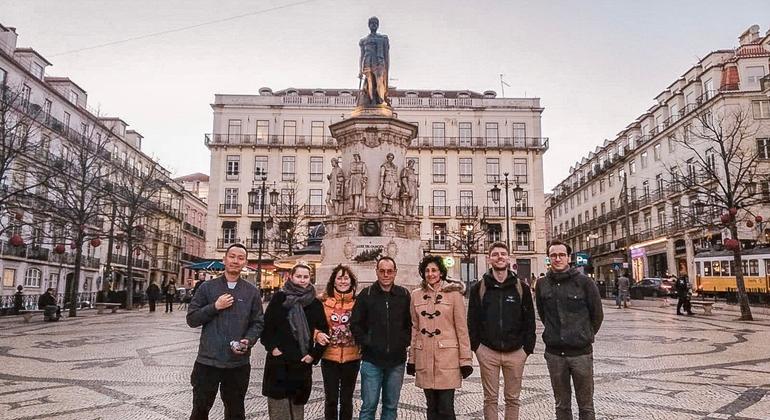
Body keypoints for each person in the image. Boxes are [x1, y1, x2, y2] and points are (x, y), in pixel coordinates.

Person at [186, 243, 264, 420]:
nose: (235, 261)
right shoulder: (207, 288)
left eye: (240, 258)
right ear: (224, 259)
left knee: (235, 412)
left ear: (245, 262)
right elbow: (192, 319)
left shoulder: (251, 292)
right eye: (232, 256)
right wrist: (215, 306)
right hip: (207, 362)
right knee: (200, 410)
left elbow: (258, 322)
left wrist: (248, 341)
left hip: (237, 364)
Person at [536, 239, 604, 420]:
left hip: (581, 353)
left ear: (568, 257)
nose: (557, 259)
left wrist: (584, 334)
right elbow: (543, 314)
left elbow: (597, 315)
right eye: (553, 255)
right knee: (561, 405)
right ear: (548, 258)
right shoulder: (542, 284)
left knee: (586, 406)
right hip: (555, 354)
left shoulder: (584, 283)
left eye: (561, 255)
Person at [467, 242, 536, 420]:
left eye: (503, 254)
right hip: (487, 351)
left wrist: (527, 349)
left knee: (513, 399)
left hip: (516, 352)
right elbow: (472, 320)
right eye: (495, 254)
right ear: (489, 259)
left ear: (508, 258)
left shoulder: (522, 288)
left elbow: (530, 320)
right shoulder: (479, 288)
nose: (499, 257)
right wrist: (477, 348)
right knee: (490, 399)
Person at [407, 255, 473, 420]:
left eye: (434, 270)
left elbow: (462, 329)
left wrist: (465, 360)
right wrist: (412, 359)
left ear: (441, 272)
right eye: (427, 270)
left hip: (447, 359)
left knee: (446, 408)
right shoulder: (416, 295)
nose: (430, 274)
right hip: (424, 358)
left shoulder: (454, 294)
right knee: (431, 408)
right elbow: (415, 328)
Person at [261, 263, 328, 420]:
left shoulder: (314, 303)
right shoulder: (280, 298)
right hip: (279, 362)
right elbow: (267, 327)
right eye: (299, 276)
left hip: (301, 362)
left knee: (297, 412)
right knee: (279, 412)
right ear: (291, 277)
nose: (302, 280)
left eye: (306, 277)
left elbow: (324, 331)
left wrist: (313, 355)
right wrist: (273, 349)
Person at [350, 257, 411, 420]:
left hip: (396, 361)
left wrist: (403, 342)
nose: (386, 275)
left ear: (395, 273)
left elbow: (410, 323)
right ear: (376, 272)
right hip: (372, 360)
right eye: (382, 271)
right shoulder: (366, 294)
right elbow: (355, 323)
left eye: (389, 271)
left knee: (391, 406)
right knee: (368, 407)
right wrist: (367, 342)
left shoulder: (404, 295)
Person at [315, 264, 361, 420]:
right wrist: (317, 334)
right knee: (331, 399)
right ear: (333, 282)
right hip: (329, 357)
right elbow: (313, 325)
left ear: (351, 281)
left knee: (347, 400)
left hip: (352, 357)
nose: (343, 281)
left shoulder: (358, 303)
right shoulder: (323, 303)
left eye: (346, 278)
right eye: (339, 278)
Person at [358, 16, 390, 107]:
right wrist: (360, 69)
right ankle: (372, 100)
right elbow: (361, 55)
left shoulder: (382, 38)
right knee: (370, 83)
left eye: (376, 24)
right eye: (372, 23)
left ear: (378, 25)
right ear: (369, 25)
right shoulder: (363, 40)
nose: (374, 25)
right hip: (367, 62)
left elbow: (386, 53)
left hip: (379, 63)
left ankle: (381, 100)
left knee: (379, 81)